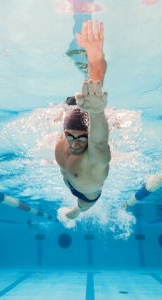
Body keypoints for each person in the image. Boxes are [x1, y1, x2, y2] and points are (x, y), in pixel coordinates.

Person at [56, 20, 110, 221]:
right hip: (69, 178)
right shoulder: (64, 137)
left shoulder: (96, 162)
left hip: (87, 195)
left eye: (82, 138)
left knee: (81, 207)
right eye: (70, 135)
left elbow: (99, 141)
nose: (75, 142)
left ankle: (78, 211)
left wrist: (96, 57)